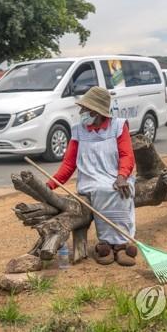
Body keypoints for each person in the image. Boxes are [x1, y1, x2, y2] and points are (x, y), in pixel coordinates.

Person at [47, 86, 138, 266]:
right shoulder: (78, 131)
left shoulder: (118, 127)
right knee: (101, 190)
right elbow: (68, 164)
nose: (81, 112)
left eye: (85, 109)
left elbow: (127, 155)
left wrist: (121, 176)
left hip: (116, 178)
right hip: (91, 182)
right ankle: (105, 243)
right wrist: (50, 185)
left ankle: (120, 245)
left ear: (97, 112)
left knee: (120, 192)